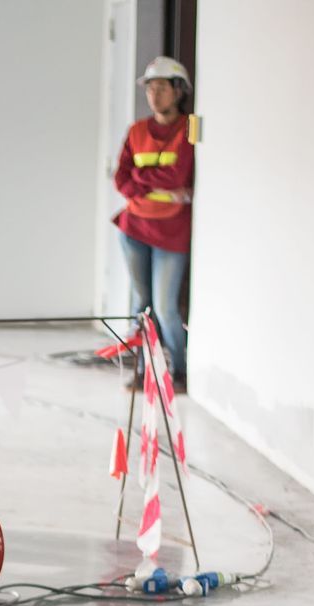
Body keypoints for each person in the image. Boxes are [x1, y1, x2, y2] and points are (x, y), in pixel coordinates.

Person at [113, 56, 195, 389]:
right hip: (134, 228)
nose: (154, 95)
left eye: (161, 87)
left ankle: (179, 372)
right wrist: (156, 183)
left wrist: (140, 178)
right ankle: (145, 371)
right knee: (141, 305)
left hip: (171, 230)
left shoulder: (189, 127)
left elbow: (178, 174)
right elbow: (121, 180)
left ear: (178, 91)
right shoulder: (137, 131)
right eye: (150, 88)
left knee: (165, 307)